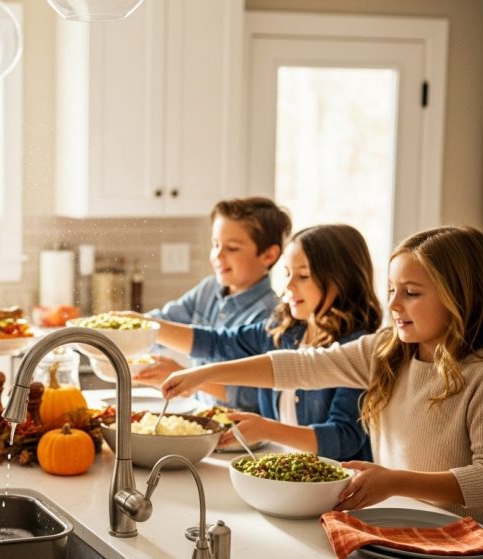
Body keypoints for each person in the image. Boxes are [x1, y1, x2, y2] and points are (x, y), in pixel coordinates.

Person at [162, 225, 483, 521]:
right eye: (391, 290)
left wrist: (396, 481)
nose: (394, 305)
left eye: (411, 293)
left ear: (459, 295)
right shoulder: (385, 352)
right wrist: (205, 373)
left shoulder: (477, 376)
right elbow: (302, 366)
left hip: (460, 541)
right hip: (396, 524)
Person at [138, 224, 379, 461]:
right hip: (287, 474)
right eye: (287, 273)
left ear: (342, 279)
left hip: (340, 487)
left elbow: (343, 439)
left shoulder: (358, 349)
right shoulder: (282, 330)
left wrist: (267, 429)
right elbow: (217, 343)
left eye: (303, 276)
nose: (288, 286)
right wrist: (142, 326)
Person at [145, 196, 292, 412]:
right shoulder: (208, 289)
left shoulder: (271, 315)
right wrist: (120, 330)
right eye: (215, 244)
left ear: (269, 255)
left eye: (232, 248)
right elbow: (164, 323)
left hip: (245, 435)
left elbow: (250, 397)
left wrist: (185, 377)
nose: (218, 256)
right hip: (204, 417)